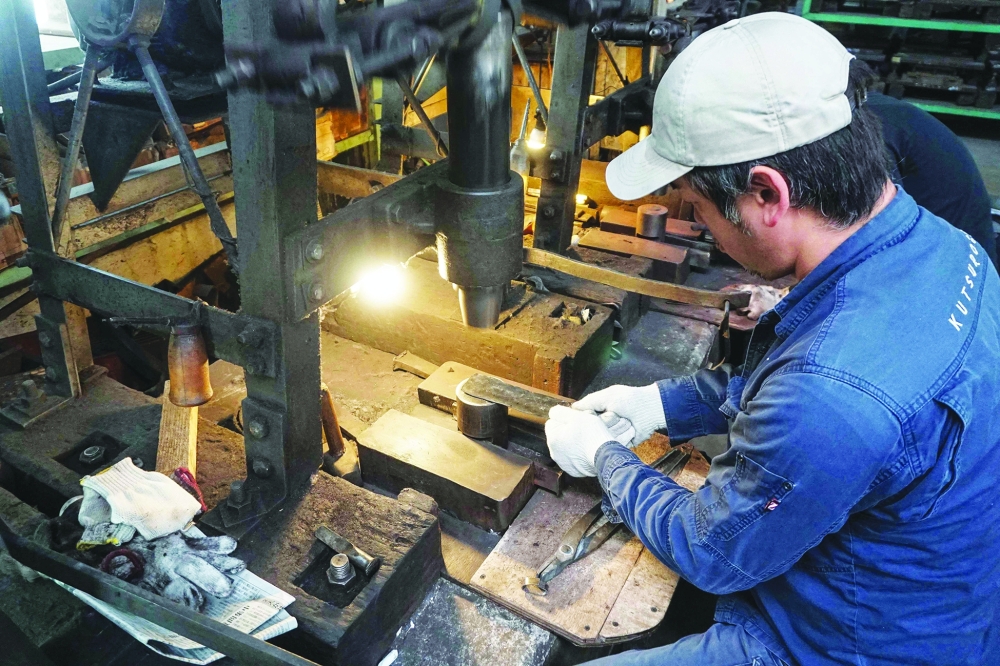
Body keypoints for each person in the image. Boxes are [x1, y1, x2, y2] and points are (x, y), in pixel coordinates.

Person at [544, 12, 1000, 666]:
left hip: (845, 642)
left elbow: (714, 551)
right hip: (934, 593)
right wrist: (661, 405)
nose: (694, 226)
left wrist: (606, 461)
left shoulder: (834, 394)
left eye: (696, 211)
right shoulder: (941, 245)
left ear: (767, 193)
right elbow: (794, 382)